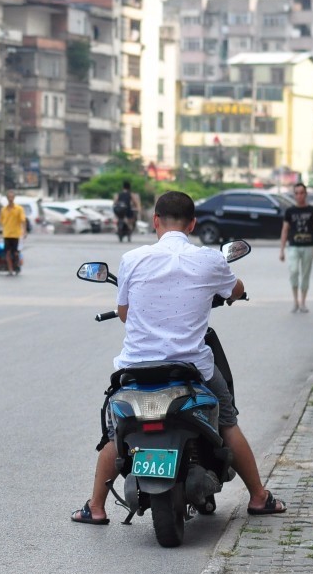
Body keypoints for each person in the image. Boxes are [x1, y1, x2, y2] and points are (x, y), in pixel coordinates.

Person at [71, 190, 285, 525]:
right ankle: (259, 497)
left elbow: (124, 313)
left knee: (116, 434)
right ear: (193, 224)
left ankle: (96, 507)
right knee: (227, 422)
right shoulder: (210, 260)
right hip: (191, 369)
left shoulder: (132, 259)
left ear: (155, 220)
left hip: (136, 371)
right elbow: (235, 289)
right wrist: (234, 294)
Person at [279, 182, 313, 314]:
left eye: (302, 193)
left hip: (308, 246)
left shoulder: (312, 210)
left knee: (305, 274)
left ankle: (303, 302)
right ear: (294, 195)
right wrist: (281, 250)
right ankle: (295, 301)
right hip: (293, 246)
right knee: (293, 272)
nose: (299, 196)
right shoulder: (290, 211)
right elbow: (285, 230)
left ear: (306, 194)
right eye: (297, 193)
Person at [0, 189, 26, 275]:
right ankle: (10, 269)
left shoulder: (19, 209)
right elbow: (1, 221)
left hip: (16, 234)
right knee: (7, 253)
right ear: (7, 198)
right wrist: (0, 230)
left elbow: (23, 220)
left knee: (15, 252)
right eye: (9, 197)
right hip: (6, 234)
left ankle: (16, 266)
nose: (10, 199)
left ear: (14, 198)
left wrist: (24, 231)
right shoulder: (3, 210)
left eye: (12, 197)